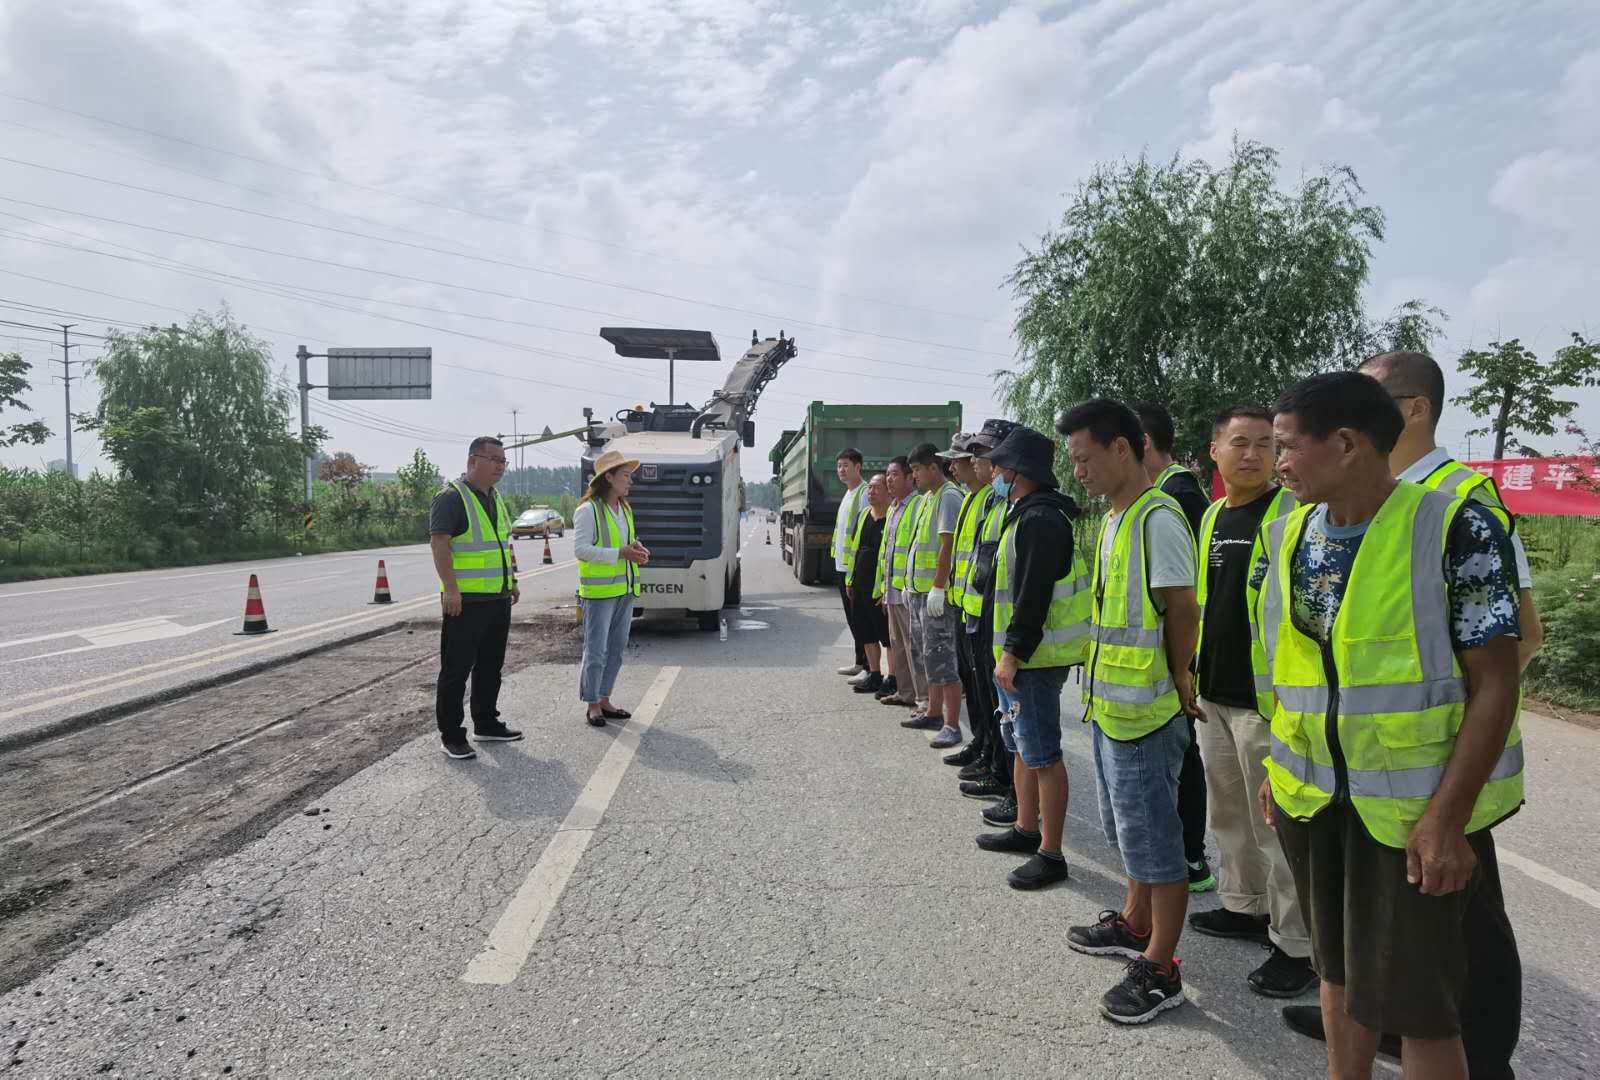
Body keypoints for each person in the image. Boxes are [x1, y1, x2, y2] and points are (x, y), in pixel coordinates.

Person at [1273, 353, 1538, 1077]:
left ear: (1346, 444)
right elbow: (1299, 670)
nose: (1279, 462)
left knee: (1421, 1006)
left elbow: (1495, 683)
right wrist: (1279, 768)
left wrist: (1446, 821)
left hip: (1413, 814)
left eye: (1288, 445)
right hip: (1317, 801)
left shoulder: (1454, 528)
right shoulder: (1293, 533)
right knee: (1337, 972)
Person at [1060, 399, 1202, 1025]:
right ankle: (1134, 922)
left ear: (1123, 448)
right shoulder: (1116, 517)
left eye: (1085, 458)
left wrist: (1180, 674)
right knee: (1129, 835)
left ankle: (1162, 967)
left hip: (1146, 714)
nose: (1079, 472)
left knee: (1157, 845)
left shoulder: (1158, 519)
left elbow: (1183, 607)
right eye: (1073, 461)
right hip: (1113, 709)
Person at [1186, 406, 1317, 998]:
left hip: (1268, 702)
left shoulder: (1293, 514)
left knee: (1277, 828)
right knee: (1228, 813)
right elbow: (1207, 601)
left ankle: (1297, 944)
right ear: (1214, 451)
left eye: (1266, 444)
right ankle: (1244, 905)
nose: (1254, 455)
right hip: (1216, 692)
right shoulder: (1213, 515)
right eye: (1240, 443)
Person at [972, 425, 1090, 890]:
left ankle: (1051, 853)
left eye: (999, 465)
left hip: (1034, 661)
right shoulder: (1024, 513)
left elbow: (1032, 596)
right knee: (1022, 746)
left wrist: (1013, 653)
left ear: (1017, 472)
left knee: (1043, 756)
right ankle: (1026, 827)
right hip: (1020, 659)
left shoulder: (1041, 519)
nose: (993, 472)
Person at [1133, 400, 1215, 894]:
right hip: (1170, 650)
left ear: (1140, 443)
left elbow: (1185, 598)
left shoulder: (1175, 497)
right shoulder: (1167, 493)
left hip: (1180, 649)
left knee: (1182, 751)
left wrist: (1182, 663)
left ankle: (1190, 855)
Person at [430, 436, 524, 759]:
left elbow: (501, 545)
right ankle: (452, 735)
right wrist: (450, 588)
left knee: (490, 665)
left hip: (497, 598)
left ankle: (486, 723)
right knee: (456, 669)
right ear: (472, 461)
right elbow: (439, 544)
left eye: (503, 461)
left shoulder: (495, 497)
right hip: (465, 601)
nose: (500, 466)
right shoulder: (451, 498)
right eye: (493, 460)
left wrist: (511, 581)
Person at [947, 422, 1019, 811]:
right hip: (973, 608)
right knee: (980, 694)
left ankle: (1004, 775)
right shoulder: (983, 500)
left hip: (995, 619)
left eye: (981, 454)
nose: (975, 461)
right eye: (972, 454)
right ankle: (987, 751)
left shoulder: (1007, 502)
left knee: (1003, 707)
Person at [575, 449, 649, 728]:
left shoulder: (624, 509)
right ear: (608, 477)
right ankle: (592, 704)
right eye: (626, 476)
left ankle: (605, 698)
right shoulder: (587, 511)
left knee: (616, 649)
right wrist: (620, 553)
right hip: (599, 594)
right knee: (596, 651)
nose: (631, 481)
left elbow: (627, 541)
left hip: (625, 590)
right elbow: (581, 550)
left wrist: (638, 549)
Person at [904, 442, 966, 747]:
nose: (914, 475)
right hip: (920, 592)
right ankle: (932, 712)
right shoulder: (928, 497)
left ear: (933, 467)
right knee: (928, 657)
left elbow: (947, 546)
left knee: (943, 659)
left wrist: (939, 588)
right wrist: (909, 585)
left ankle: (952, 724)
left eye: (917, 469)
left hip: (935, 596)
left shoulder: (948, 496)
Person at [876, 457, 923, 708]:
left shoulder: (917, 505)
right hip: (892, 591)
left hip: (908, 591)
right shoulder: (893, 508)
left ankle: (923, 698)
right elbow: (887, 552)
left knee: (913, 646)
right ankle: (905, 693)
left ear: (909, 478)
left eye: (894, 474)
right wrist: (883, 589)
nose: (889, 479)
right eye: (887, 474)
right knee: (898, 646)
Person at [844, 474, 892, 694]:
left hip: (879, 589)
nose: (871, 492)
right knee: (865, 633)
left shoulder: (892, 517)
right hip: (860, 585)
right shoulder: (864, 515)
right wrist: (850, 579)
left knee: (887, 637)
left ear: (887, 491)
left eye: (876, 488)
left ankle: (892, 678)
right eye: (869, 488)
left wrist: (885, 588)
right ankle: (874, 674)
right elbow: (855, 548)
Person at [832, 448, 870, 679]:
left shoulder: (863, 493)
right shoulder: (848, 493)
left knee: (860, 619)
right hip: (842, 565)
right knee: (852, 617)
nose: (841, 470)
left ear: (858, 467)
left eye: (846, 465)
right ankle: (859, 662)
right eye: (839, 466)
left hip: (853, 567)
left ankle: (867, 666)